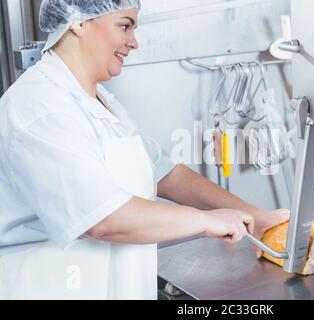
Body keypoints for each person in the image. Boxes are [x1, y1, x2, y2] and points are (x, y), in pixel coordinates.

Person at [0, 0, 289, 299]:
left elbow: (165, 173)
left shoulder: (99, 101)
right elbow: (103, 219)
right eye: (124, 26)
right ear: (78, 22)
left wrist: (256, 216)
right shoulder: (38, 107)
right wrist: (206, 220)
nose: (134, 42)